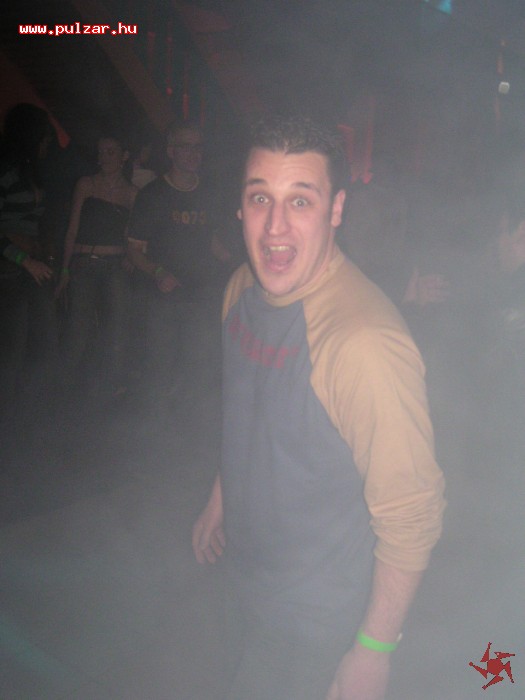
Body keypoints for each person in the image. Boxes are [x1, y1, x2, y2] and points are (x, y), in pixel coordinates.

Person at [192, 115, 445, 700]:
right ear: (239, 208)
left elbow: (413, 514)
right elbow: (248, 411)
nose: (275, 226)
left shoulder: (363, 344)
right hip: (244, 579)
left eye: (300, 201)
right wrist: (220, 497)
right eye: (260, 198)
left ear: (336, 210)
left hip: (317, 616)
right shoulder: (240, 289)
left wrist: (373, 651)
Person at [127, 119, 231, 416]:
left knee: (200, 367)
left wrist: (238, 266)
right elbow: (133, 249)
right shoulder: (153, 195)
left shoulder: (210, 192)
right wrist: (158, 272)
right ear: (171, 151)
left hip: (201, 296)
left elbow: (211, 241)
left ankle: (190, 430)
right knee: (160, 368)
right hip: (163, 299)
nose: (193, 153)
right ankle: (153, 429)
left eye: (198, 146)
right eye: (186, 146)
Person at [56, 131, 137, 395]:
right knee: (78, 326)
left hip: (115, 265)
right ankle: (62, 387)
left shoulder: (132, 193)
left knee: (117, 325)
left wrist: (130, 258)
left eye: (110, 151)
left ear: (124, 156)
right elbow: (72, 229)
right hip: (84, 262)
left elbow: (131, 235)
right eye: (101, 152)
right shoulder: (87, 184)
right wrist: (65, 268)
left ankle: (111, 386)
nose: (104, 157)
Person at [0, 103, 58, 427]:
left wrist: (41, 249)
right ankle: (9, 422)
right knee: (12, 348)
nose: (48, 140)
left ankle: (31, 416)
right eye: (44, 134)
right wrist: (24, 259)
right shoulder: (6, 170)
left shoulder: (31, 170)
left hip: (31, 265)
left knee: (42, 341)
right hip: (9, 268)